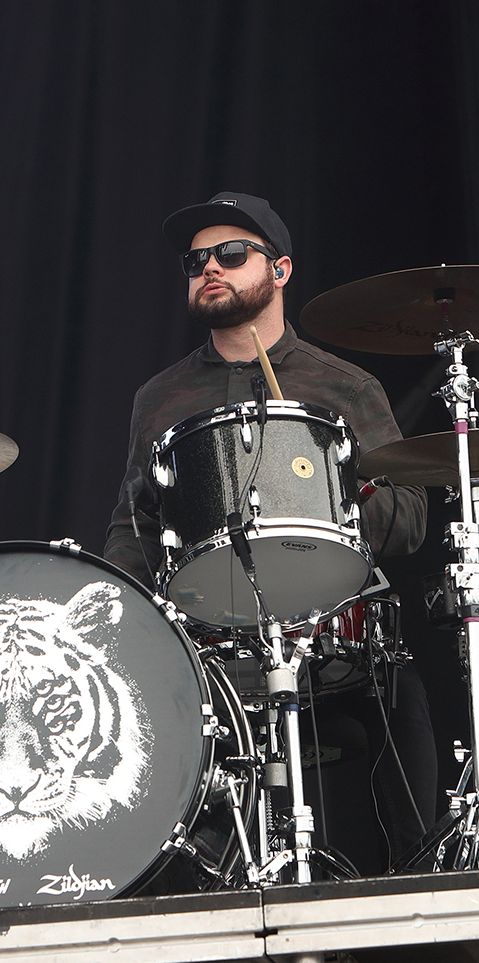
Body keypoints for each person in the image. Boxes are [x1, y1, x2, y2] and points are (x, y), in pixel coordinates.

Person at [103, 191, 435, 874]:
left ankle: (417, 881)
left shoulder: (342, 386)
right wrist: (117, 623)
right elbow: (133, 524)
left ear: (279, 270)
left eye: (230, 255)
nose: (209, 269)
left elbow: (411, 520)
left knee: (401, 691)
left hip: (328, 624)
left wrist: (321, 486)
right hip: (208, 643)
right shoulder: (160, 398)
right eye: (197, 261)